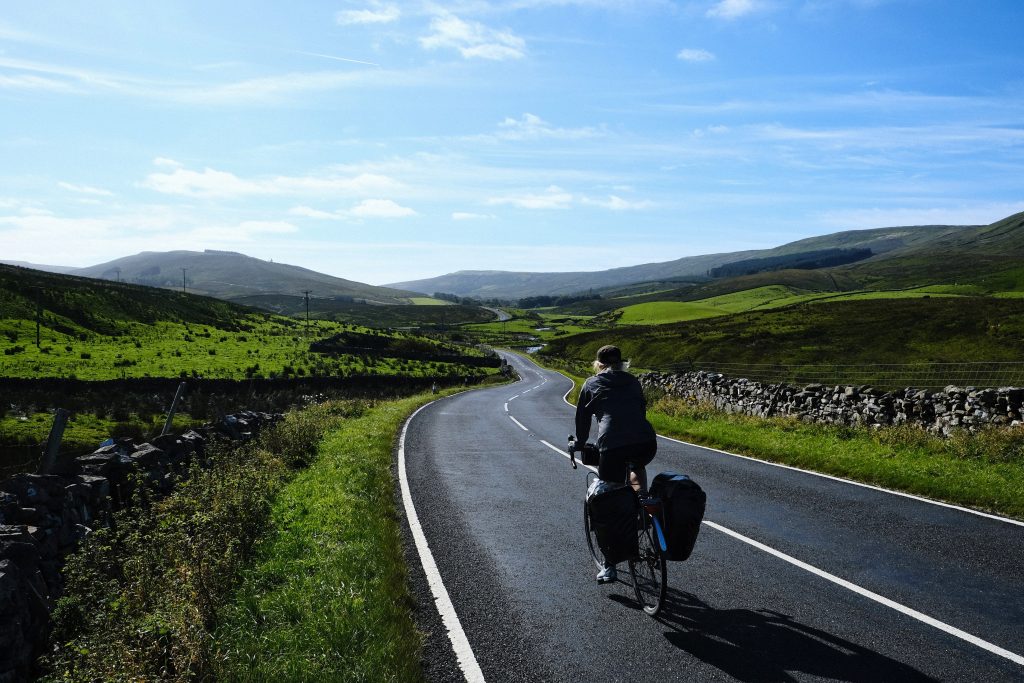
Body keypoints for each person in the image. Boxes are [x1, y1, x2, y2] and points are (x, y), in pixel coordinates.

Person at [575, 344, 657, 584]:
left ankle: (609, 565)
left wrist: (580, 443)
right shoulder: (633, 381)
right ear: (622, 363)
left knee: (609, 498)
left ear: (599, 364)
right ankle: (643, 507)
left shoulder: (591, 384)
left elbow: (582, 419)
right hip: (646, 441)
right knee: (636, 468)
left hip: (612, 444)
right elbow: (640, 410)